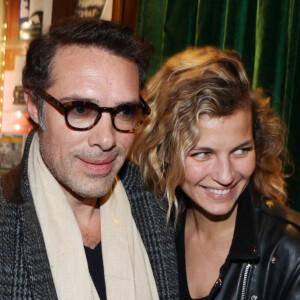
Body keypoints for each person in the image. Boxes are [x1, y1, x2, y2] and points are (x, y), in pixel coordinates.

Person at [0, 17, 179, 300]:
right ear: (35, 106)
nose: (106, 139)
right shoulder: (6, 220)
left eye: (124, 111)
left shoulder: (159, 207)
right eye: (81, 109)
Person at [131, 46, 300, 299]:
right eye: (203, 153)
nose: (225, 176)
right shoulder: (148, 229)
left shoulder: (291, 251)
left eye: (241, 150)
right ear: (164, 152)